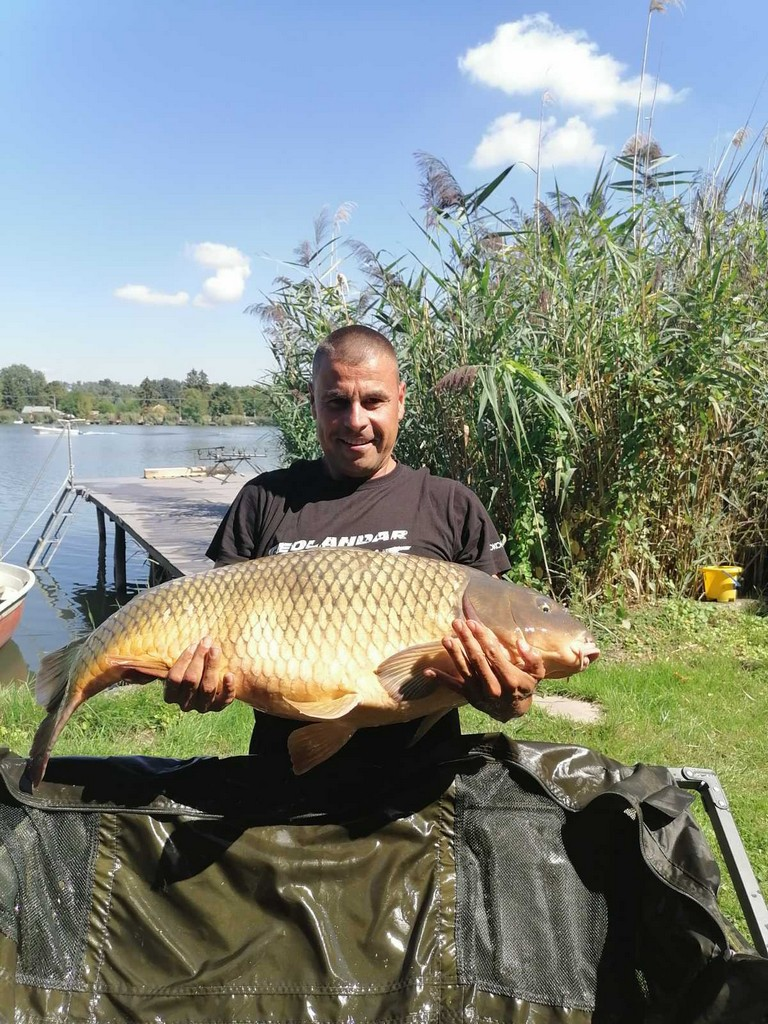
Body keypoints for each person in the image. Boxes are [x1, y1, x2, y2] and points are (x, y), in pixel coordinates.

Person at [163, 325, 544, 769]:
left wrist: (510, 698)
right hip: (278, 777)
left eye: (374, 401)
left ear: (400, 400)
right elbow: (211, 632)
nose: (355, 420)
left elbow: (508, 672)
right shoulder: (264, 499)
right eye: (337, 402)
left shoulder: (451, 505)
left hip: (420, 784)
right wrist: (202, 679)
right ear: (313, 403)